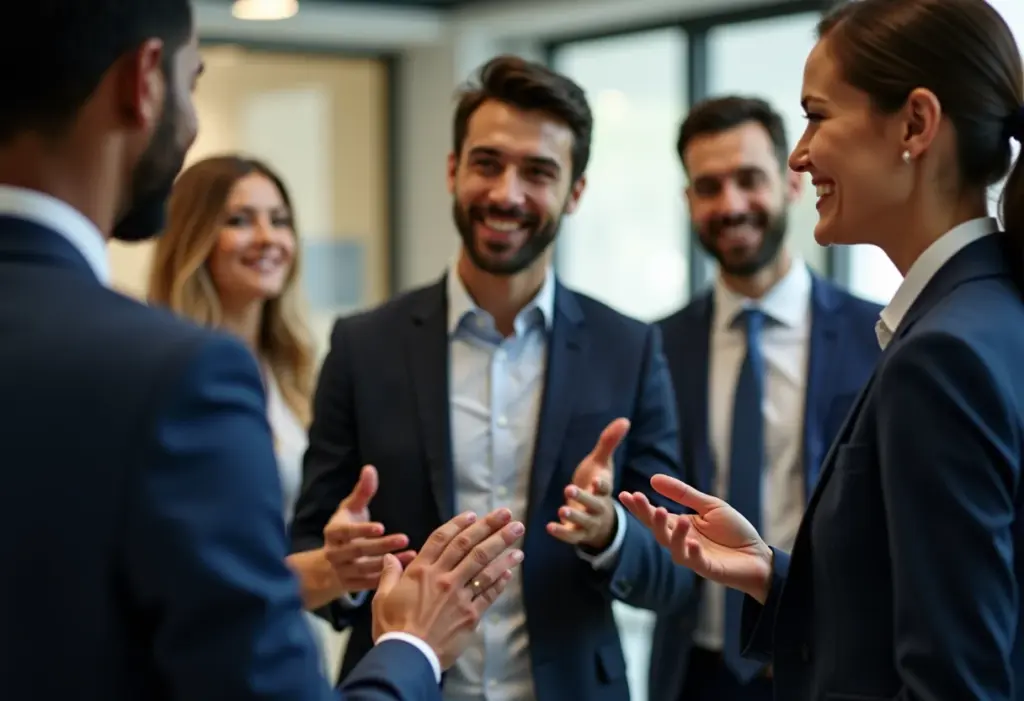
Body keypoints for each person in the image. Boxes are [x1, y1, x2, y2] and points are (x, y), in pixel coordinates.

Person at [0, 2, 524, 699]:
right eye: (192, 83)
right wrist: (411, 643)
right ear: (144, 81)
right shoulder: (177, 374)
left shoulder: (273, 367)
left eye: (278, 219)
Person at [622, 0, 1024, 699]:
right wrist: (773, 575)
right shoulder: (993, 308)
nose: (802, 156)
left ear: (915, 124)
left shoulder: (942, 356)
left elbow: (955, 679)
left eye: (816, 114)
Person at [290, 55, 691, 701]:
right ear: (452, 170)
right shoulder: (363, 344)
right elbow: (314, 543)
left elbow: (674, 573)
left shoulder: (630, 347)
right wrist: (346, 567)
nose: (507, 193)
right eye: (487, 163)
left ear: (575, 192)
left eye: (538, 172)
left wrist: (609, 530)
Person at [650, 96, 881, 701]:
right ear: (688, 201)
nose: (730, 206)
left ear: (791, 182)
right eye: (708, 186)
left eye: (749, 179)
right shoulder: (656, 347)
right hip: (695, 671)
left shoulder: (879, 337)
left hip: (831, 659)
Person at [148, 155, 408, 676]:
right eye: (240, 220)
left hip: (286, 644)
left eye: (280, 219)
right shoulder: (162, 370)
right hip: (199, 657)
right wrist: (329, 569)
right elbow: (187, 572)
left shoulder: (293, 374)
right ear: (194, 238)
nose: (268, 237)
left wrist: (340, 559)